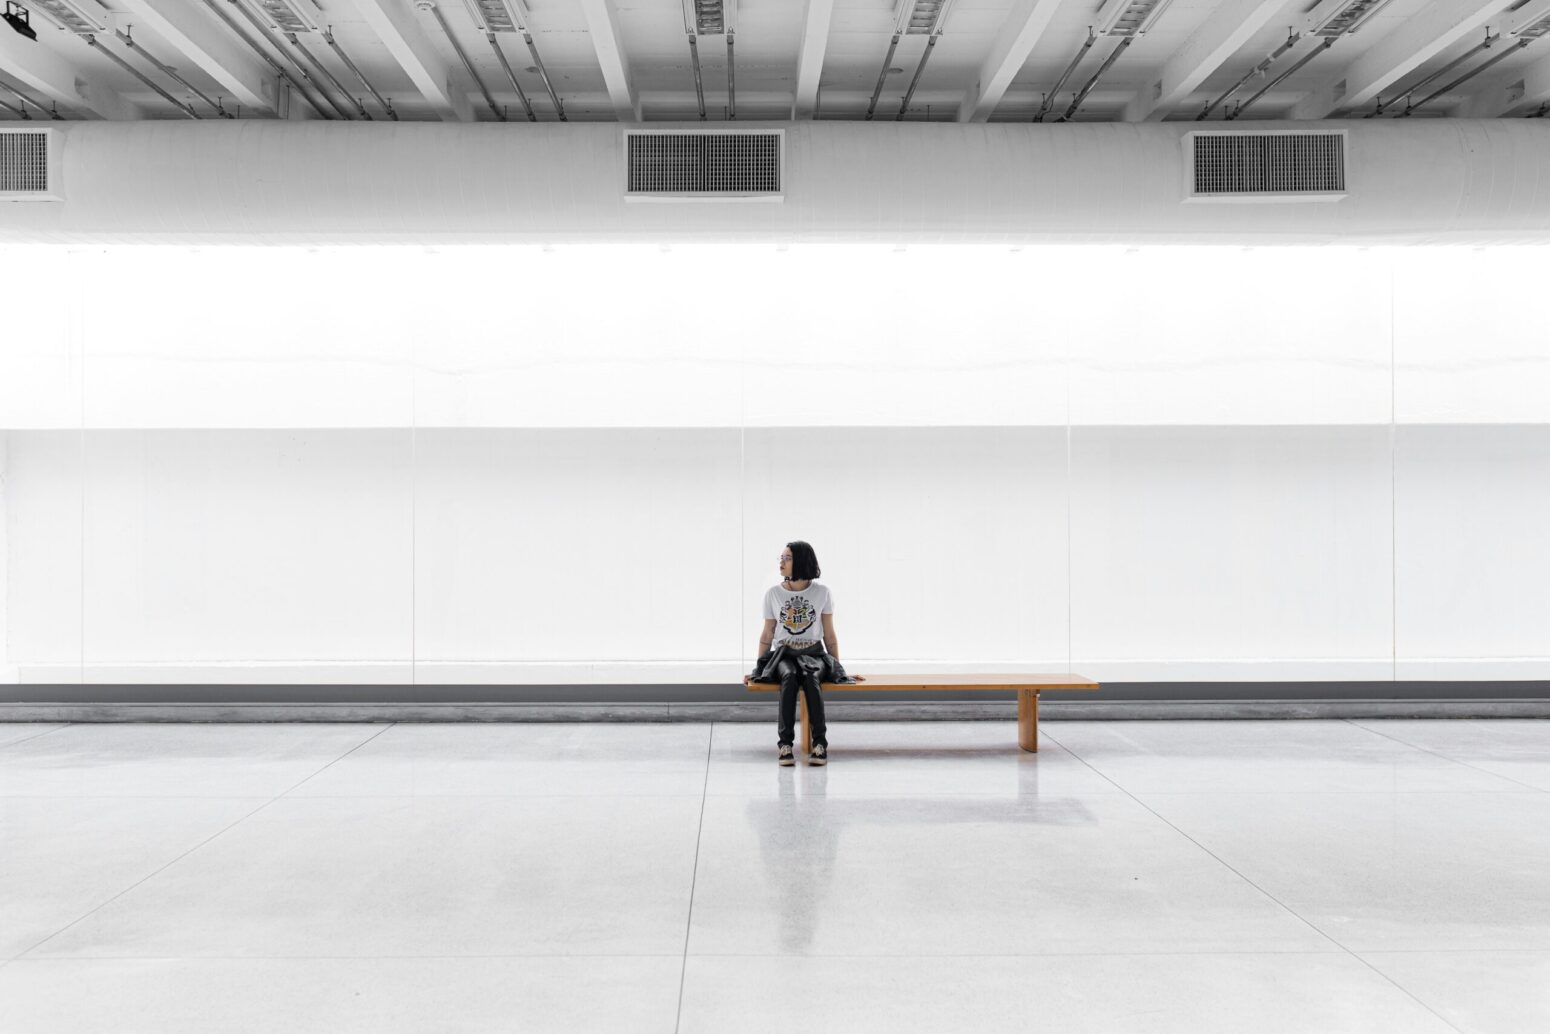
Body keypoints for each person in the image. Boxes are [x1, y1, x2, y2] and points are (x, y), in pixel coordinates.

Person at [743, 540, 863, 766]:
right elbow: (767, 635)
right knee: (788, 676)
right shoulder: (773, 594)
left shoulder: (822, 593)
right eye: (781, 557)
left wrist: (838, 669)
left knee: (810, 677)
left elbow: (829, 635)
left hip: (814, 655)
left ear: (801, 562)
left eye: (787, 558)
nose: (781, 562)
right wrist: (757, 668)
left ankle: (820, 744)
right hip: (784, 656)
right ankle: (785, 745)